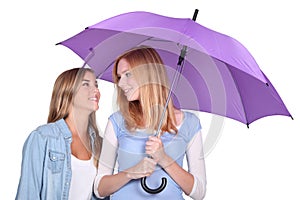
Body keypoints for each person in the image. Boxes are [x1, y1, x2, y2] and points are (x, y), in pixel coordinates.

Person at [94, 46, 206, 199]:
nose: (120, 84)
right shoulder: (117, 122)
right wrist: (130, 173)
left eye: (128, 74)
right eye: (119, 77)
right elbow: (99, 189)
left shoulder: (190, 123)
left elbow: (199, 192)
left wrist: (163, 158)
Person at [16, 67, 109, 200]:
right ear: (68, 92)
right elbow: (28, 194)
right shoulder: (43, 138)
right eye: (85, 84)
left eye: (96, 85)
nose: (96, 90)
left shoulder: (101, 145)